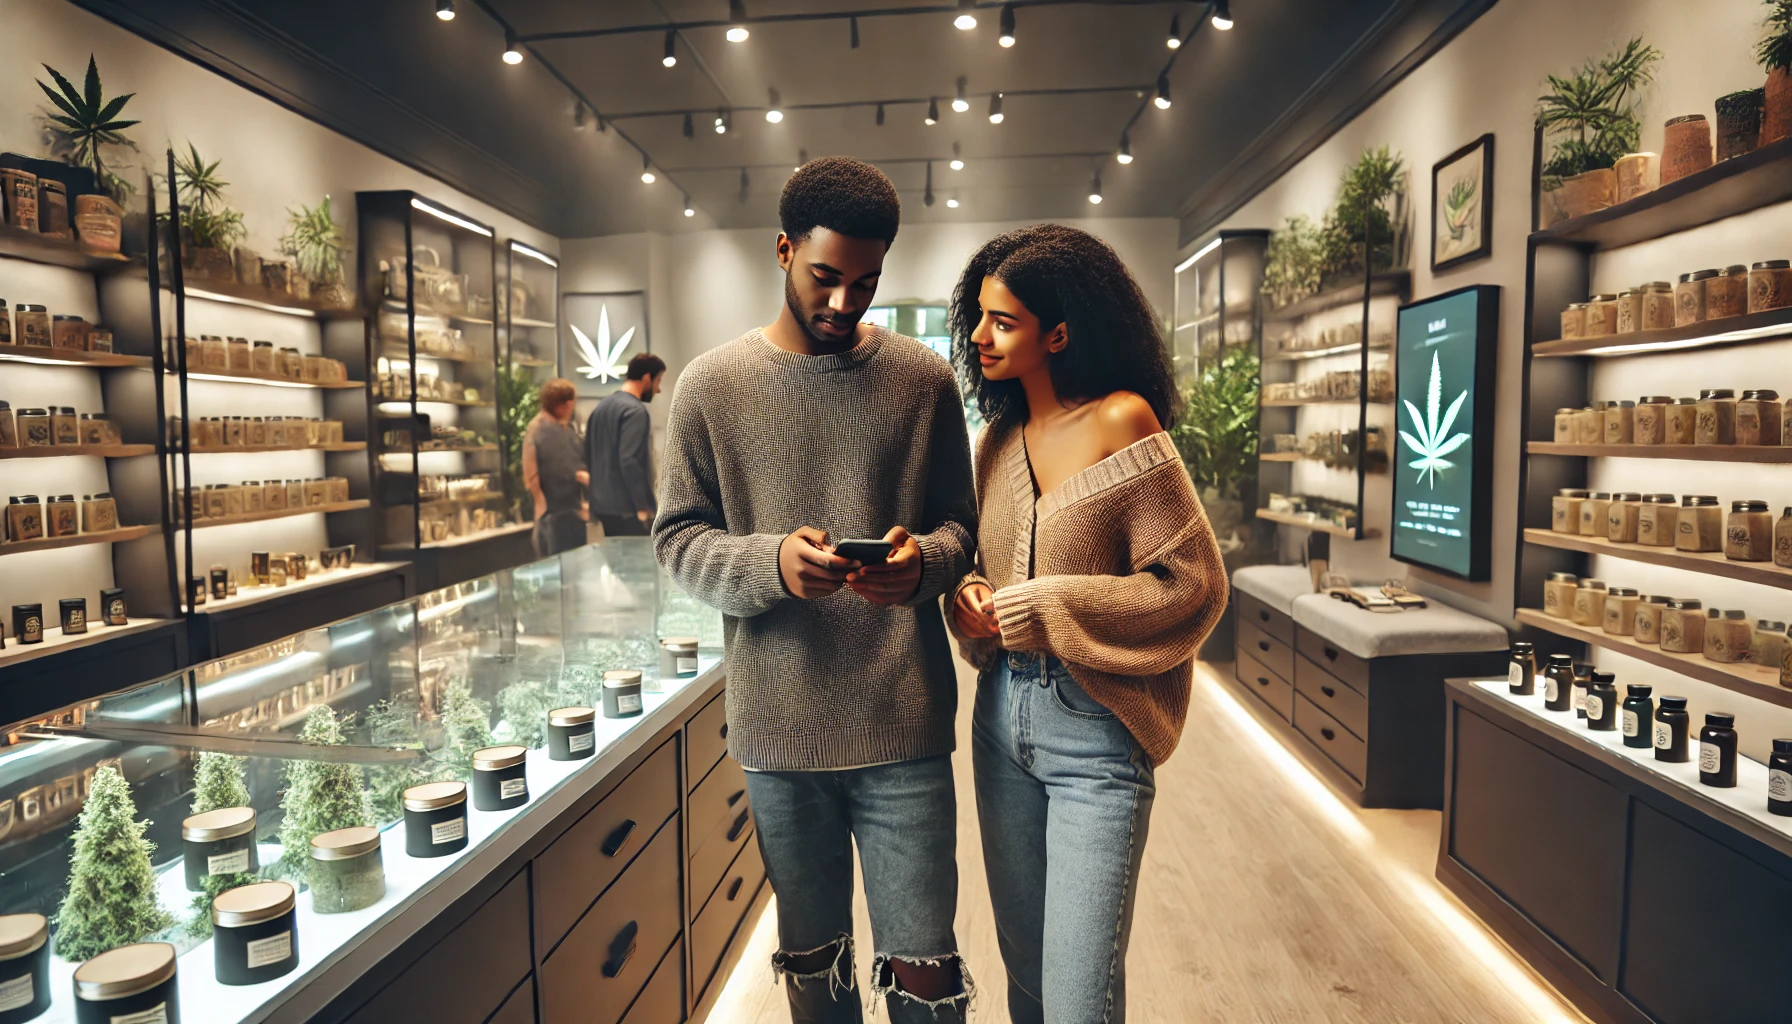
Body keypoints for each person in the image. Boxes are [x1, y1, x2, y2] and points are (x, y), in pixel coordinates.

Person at [654, 156, 977, 1022]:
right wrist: (769, 565)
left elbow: (960, 530)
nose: (843, 303)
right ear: (783, 250)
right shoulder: (709, 387)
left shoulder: (923, 380)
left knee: (925, 971)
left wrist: (922, 569)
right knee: (815, 967)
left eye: (865, 284)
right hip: (778, 731)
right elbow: (678, 538)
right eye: (824, 277)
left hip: (902, 721)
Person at [946, 225, 1227, 1024]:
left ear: (1058, 333)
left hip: (1096, 732)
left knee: (1077, 1000)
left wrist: (1040, 608)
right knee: (1027, 984)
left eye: (1002, 322)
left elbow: (1192, 586)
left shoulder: (1121, 421)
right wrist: (969, 599)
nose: (979, 335)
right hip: (999, 720)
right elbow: (979, 569)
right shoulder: (996, 442)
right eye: (980, 318)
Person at [586, 352, 665, 537]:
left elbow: (589, 456)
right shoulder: (635, 411)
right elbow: (629, 460)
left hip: (603, 506)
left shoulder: (600, 408)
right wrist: (642, 506)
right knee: (638, 563)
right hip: (628, 509)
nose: (658, 389)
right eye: (658, 381)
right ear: (647, 378)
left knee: (618, 562)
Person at [522, 377, 589, 557]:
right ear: (565, 404)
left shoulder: (537, 428)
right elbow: (570, 471)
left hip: (548, 518)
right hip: (560, 519)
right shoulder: (549, 432)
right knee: (567, 577)